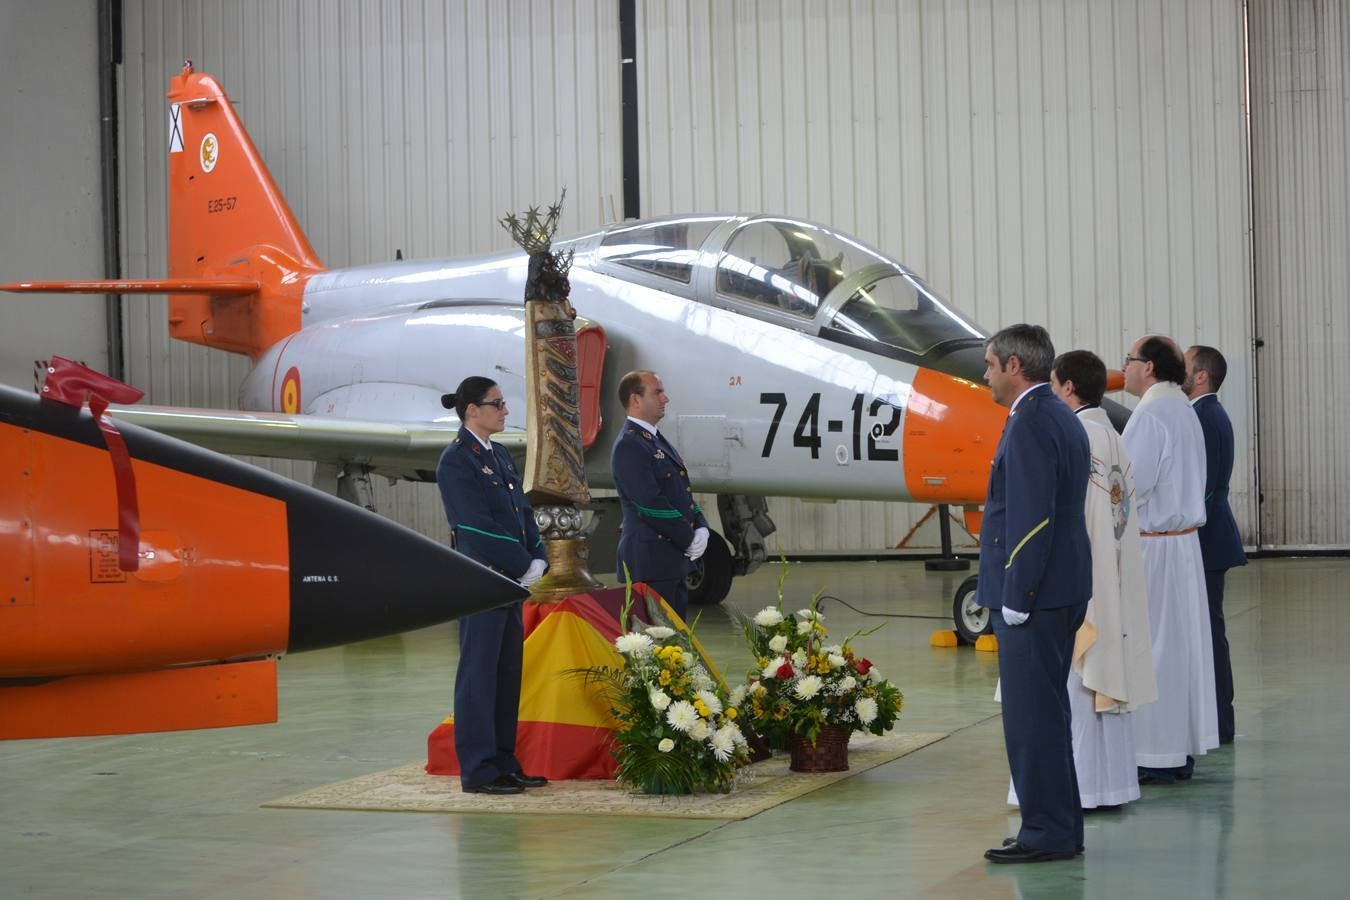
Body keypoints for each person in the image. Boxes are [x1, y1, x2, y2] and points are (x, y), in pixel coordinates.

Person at [977, 325, 1093, 864]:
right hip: (1064, 586)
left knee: (1031, 720)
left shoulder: (1028, 423)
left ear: (1014, 366)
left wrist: (1017, 594)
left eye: (990, 365)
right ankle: (1059, 825)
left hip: (1035, 595)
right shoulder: (1060, 416)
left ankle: (1045, 832)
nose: (986, 375)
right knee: (1049, 713)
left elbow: (1030, 517)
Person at [1045, 350, 1156, 809]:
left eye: (1053, 383)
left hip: (1082, 580)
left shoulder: (1078, 437)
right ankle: (1111, 785)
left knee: (1079, 682)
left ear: (1068, 386)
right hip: (1112, 577)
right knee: (1101, 679)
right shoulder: (1112, 434)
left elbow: (1076, 519)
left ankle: (1083, 789)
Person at [437, 376, 549, 795]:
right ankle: (479, 770)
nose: (505, 410)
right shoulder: (456, 460)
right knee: (478, 676)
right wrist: (523, 563)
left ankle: (504, 761)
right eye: (497, 403)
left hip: (511, 581)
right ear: (472, 411)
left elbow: (522, 512)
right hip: (483, 579)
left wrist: (538, 555)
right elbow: (473, 526)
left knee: (505, 675)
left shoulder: (499, 455)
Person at [1121, 336, 1219, 783]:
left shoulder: (1151, 413)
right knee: (1181, 649)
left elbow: (1131, 485)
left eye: (1130, 359)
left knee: (1153, 649)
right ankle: (1179, 750)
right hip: (1181, 545)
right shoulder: (1182, 407)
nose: (1124, 366)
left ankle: (1155, 755)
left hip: (1154, 544)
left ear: (1150, 368)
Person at [1184, 345, 1247, 744]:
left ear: (1202, 375)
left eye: (1186, 366)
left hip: (1206, 539)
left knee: (1208, 631)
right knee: (1209, 629)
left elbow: (1201, 488)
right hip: (1211, 534)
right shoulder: (1206, 414)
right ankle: (1217, 720)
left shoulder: (1205, 417)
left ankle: (1220, 722)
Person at [610, 370, 709, 620]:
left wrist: (702, 526)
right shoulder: (629, 444)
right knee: (657, 646)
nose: (665, 398)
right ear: (636, 400)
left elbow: (680, 494)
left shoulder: (656, 440)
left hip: (670, 561)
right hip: (650, 563)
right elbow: (649, 504)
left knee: (676, 648)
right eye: (658, 392)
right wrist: (688, 538)